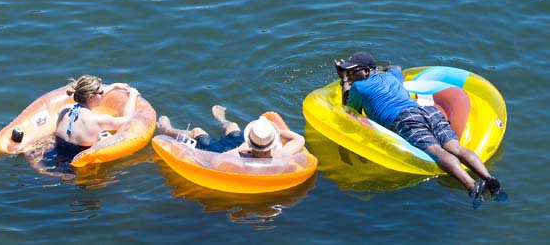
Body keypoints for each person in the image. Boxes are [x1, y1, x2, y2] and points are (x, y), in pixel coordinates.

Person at [336, 51, 503, 207]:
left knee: (437, 152)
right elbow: (396, 68)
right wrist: (382, 68)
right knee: (456, 148)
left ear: (365, 71)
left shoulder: (359, 88)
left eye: (352, 71)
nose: (349, 75)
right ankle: (489, 179)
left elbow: (348, 109)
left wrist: (343, 81)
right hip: (428, 111)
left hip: (405, 120)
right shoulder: (392, 76)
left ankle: (471, 186)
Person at [156, 106, 305, 159]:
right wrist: (276, 131)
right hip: (243, 145)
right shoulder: (279, 155)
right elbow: (299, 139)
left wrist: (240, 149)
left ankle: (167, 129)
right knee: (233, 127)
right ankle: (222, 119)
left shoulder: (240, 155)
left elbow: (215, 160)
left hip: (218, 152)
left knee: (197, 131)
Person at [55, 75, 138, 160]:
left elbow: (93, 96)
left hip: (53, 156)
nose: (103, 95)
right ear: (90, 97)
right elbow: (127, 120)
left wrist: (113, 86)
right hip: (75, 166)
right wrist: (133, 95)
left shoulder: (63, 110)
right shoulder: (98, 120)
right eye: (101, 93)